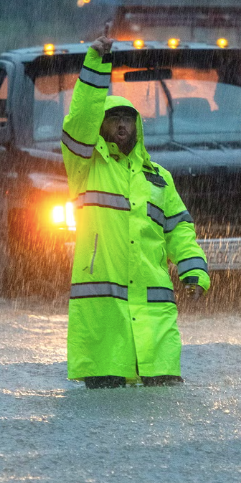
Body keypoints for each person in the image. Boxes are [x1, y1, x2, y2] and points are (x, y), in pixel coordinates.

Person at [61, 32, 210, 388]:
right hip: (103, 329)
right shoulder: (86, 167)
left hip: (154, 325)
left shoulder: (158, 178)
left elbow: (179, 228)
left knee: (164, 421)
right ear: (101, 126)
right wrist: (97, 63)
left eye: (128, 118)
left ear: (138, 126)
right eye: (114, 119)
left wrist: (194, 271)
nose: (122, 124)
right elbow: (79, 118)